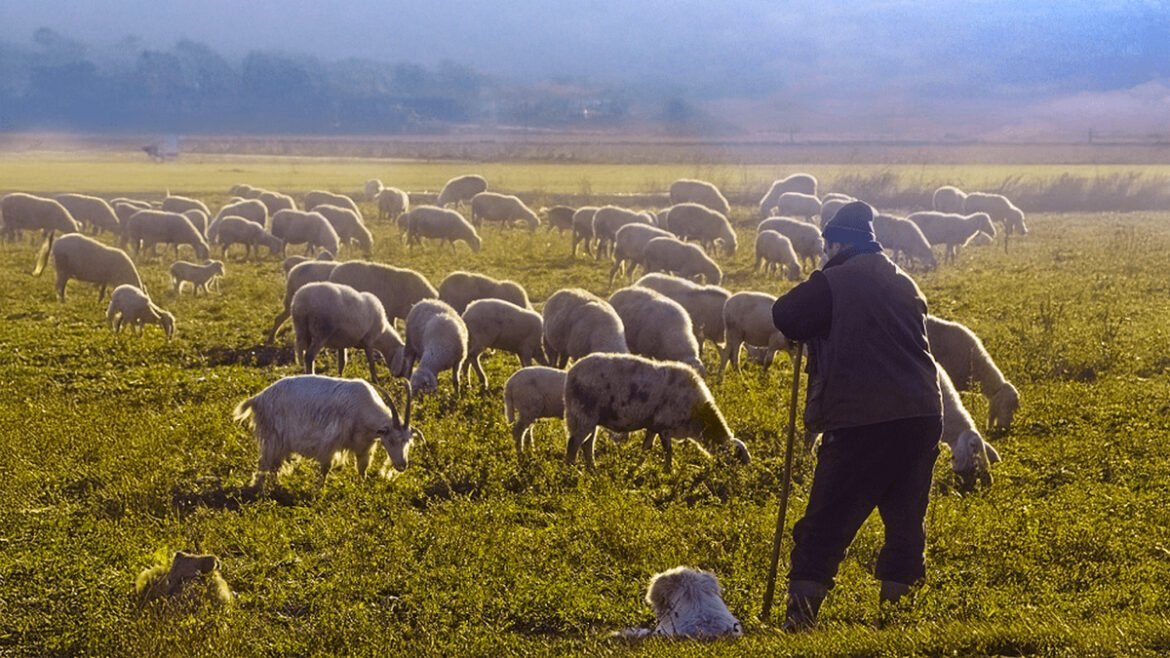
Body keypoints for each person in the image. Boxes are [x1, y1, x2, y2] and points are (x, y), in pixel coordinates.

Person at [771, 201, 943, 631]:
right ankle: (896, 621)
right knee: (905, 521)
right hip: (921, 415)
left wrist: (820, 276)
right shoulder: (904, 281)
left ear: (835, 243)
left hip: (864, 418)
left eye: (826, 246)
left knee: (826, 519)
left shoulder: (836, 280)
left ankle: (800, 621)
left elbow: (786, 314)